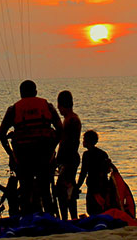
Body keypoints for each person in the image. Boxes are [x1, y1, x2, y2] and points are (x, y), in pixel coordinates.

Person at [0, 80, 63, 214]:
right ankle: (50, 220)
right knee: (46, 190)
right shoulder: (47, 106)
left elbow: (1, 133)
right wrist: (52, 149)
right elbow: (60, 130)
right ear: (35, 92)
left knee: (25, 190)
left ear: (21, 93)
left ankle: (28, 220)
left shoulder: (14, 109)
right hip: (44, 155)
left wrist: (11, 154)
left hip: (23, 157)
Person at [55, 90, 82, 220]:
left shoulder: (70, 120)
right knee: (68, 189)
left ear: (61, 105)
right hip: (70, 158)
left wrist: (59, 159)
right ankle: (72, 217)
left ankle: (67, 218)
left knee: (63, 190)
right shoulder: (71, 119)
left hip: (68, 159)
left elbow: (66, 143)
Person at [75, 130, 113, 216]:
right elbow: (107, 170)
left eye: (84, 139)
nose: (83, 141)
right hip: (103, 184)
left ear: (88, 141)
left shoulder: (87, 155)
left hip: (93, 185)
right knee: (102, 207)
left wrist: (77, 186)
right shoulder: (103, 153)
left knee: (92, 209)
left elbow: (83, 172)